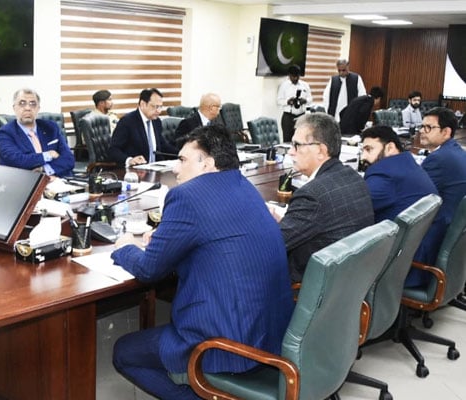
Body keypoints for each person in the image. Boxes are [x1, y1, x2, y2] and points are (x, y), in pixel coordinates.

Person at [111, 125, 294, 399]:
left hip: (224, 345)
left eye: (183, 160)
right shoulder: (243, 185)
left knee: (124, 352)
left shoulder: (186, 196)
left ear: (207, 164)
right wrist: (166, 238)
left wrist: (124, 247)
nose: (175, 168)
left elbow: (148, 269)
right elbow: (216, 237)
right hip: (271, 334)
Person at [271, 113, 374, 283]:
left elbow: (273, 244)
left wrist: (262, 224)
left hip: (313, 286)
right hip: (350, 281)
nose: (290, 152)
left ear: (321, 150)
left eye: (297, 145)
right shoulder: (353, 177)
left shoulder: (312, 195)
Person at [360, 126, 446, 286]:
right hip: (423, 256)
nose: (364, 156)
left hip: (403, 268)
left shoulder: (385, 176)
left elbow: (354, 207)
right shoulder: (407, 165)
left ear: (390, 147)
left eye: (369, 149)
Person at [0, 88, 75, 178]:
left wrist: (45, 169)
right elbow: (17, 160)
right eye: (22, 103)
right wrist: (48, 154)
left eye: (33, 104)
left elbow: (69, 159)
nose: (27, 108)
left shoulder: (51, 128)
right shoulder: (6, 132)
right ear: (14, 108)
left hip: (58, 180)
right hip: (25, 184)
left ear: (38, 109)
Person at [419, 107, 466, 232]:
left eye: (428, 127)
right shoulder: (456, 150)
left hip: (436, 231)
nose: (422, 131)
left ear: (446, 132)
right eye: (422, 126)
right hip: (455, 227)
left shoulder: (438, 159)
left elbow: (415, 196)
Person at [108, 88, 178, 166]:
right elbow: (113, 150)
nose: (159, 111)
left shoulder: (156, 121)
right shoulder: (127, 121)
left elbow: (163, 146)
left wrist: (182, 154)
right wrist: (129, 160)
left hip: (155, 170)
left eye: (160, 107)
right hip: (135, 172)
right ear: (142, 104)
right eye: (155, 106)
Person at [277, 64, 312, 142]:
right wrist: (287, 101)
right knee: (287, 140)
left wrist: (305, 100)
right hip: (288, 117)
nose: (295, 78)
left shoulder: (305, 85)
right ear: (289, 75)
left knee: (301, 140)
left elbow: (310, 99)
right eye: (293, 76)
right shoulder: (284, 86)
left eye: (297, 76)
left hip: (301, 116)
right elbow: (279, 100)